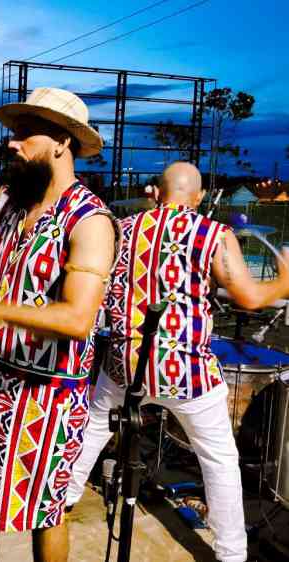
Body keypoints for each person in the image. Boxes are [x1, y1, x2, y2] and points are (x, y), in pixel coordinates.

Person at [67, 162, 289, 562]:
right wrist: (285, 280)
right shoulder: (213, 234)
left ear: (157, 192)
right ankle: (231, 553)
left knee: (94, 429)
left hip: (125, 364)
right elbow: (250, 298)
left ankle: (62, 499)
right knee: (219, 460)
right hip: (185, 373)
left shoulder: (120, 229)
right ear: (199, 197)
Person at [0, 87, 116, 562]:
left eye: (25, 134)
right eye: (13, 133)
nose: (12, 143)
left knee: (45, 512)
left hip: (48, 395)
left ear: (62, 141)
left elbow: (77, 318)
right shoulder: (14, 207)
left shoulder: (90, 220)